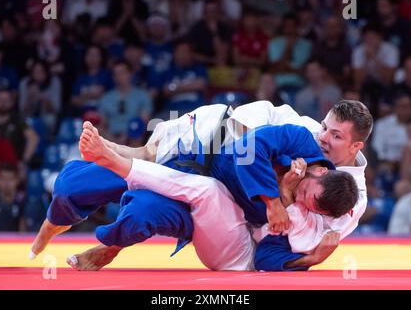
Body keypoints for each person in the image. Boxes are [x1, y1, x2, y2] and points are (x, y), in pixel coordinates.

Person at [30, 100, 372, 269]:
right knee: (73, 187)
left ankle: (114, 242)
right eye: (326, 127)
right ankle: (52, 224)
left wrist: (311, 255)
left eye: (336, 135)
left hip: (226, 209)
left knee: (147, 210)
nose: (324, 137)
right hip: (203, 144)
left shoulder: (351, 201)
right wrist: (277, 195)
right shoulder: (305, 132)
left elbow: (307, 235)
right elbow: (254, 138)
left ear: (356, 146)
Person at [65, 131, 357, 271]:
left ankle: (119, 161)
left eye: (309, 204)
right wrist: (274, 201)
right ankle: (112, 245)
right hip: (201, 179)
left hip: (225, 233)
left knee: (207, 190)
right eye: (306, 192)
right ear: (319, 170)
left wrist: (313, 258)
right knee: (141, 211)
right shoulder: (300, 142)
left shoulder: (305, 217)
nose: (302, 200)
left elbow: (267, 258)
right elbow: (248, 148)